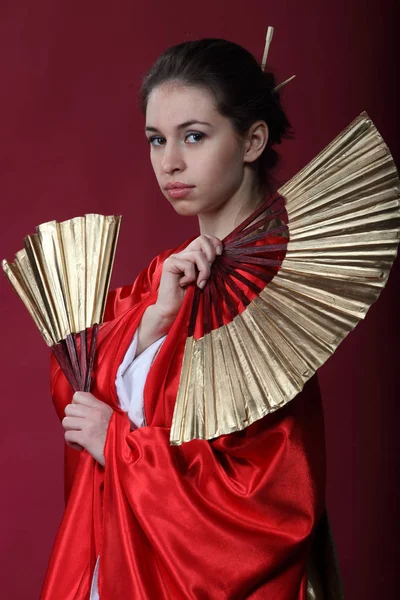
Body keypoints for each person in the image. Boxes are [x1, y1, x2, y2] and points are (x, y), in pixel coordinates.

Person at [41, 38, 344, 599]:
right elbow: (74, 386)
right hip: (115, 564)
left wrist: (122, 448)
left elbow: (266, 507)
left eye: (194, 136)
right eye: (156, 139)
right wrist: (156, 319)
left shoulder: (276, 296)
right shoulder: (166, 274)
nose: (169, 162)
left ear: (252, 139)